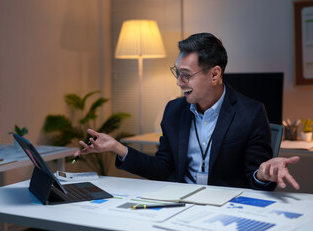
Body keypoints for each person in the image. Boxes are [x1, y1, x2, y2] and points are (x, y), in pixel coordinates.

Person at [75, 32, 300, 191]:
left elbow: (256, 177)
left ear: (214, 74)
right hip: (180, 204)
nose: (179, 83)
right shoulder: (174, 110)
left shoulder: (250, 113)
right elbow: (163, 168)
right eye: (177, 73)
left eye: (186, 75)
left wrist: (264, 174)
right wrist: (118, 148)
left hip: (228, 209)